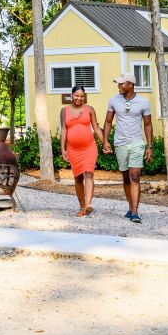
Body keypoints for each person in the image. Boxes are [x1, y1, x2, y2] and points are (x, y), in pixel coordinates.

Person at [102, 73, 153, 223]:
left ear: (130, 84)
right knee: (125, 177)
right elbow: (108, 121)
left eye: (121, 84)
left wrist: (149, 147)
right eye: (118, 84)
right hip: (120, 143)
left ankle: (136, 212)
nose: (119, 86)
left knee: (135, 176)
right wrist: (105, 141)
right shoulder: (113, 100)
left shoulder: (143, 102)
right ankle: (130, 207)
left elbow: (148, 124)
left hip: (137, 142)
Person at [59, 85, 105, 217]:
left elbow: (96, 128)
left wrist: (105, 143)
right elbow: (64, 130)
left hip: (89, 147)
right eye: (77, 95)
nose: (79, 98)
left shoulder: (89, 109)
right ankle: (82, 206)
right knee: (78, 178)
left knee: (88, 174)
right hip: (73, 150)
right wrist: (63, 148)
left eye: (82, 96)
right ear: (72, 95)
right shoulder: (64, 111)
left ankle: (89, 204)